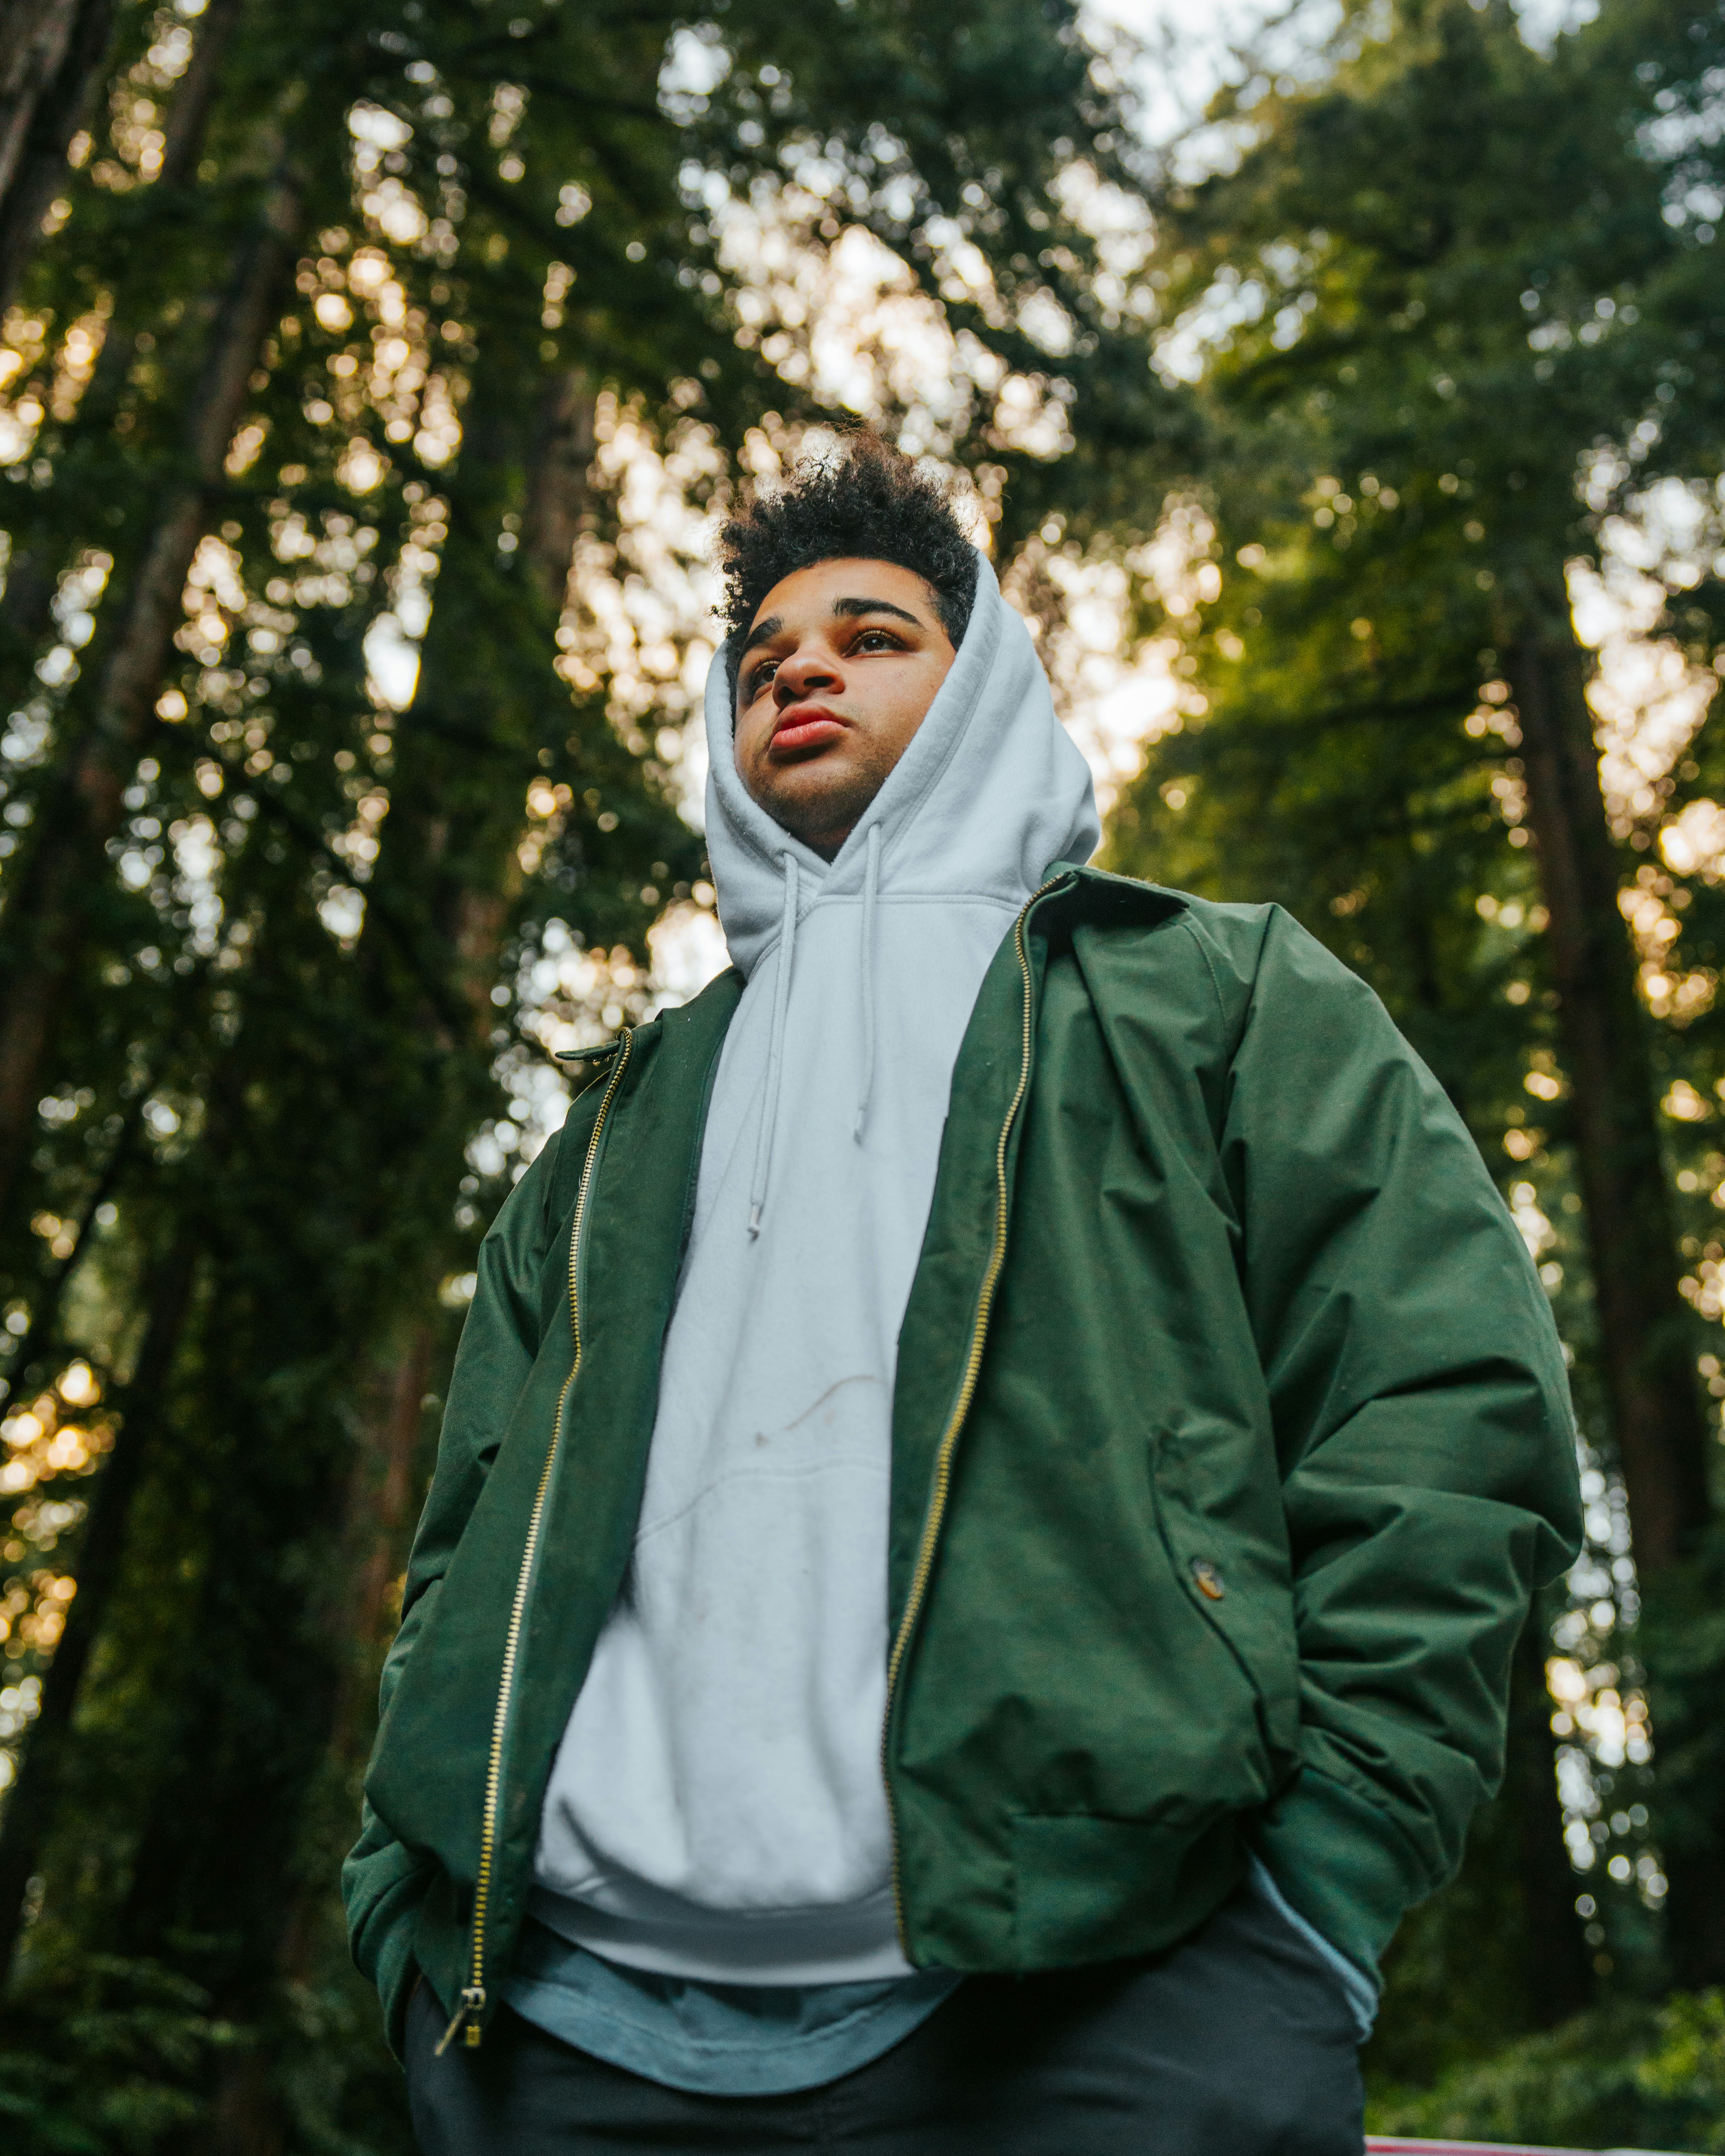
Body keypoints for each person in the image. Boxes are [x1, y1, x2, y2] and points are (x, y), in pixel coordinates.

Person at [344, 433, 1582, 2154]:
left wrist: (1322, 1886)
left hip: (1102, 2005)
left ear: (983, 671)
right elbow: (464, 1526)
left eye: (871, 635)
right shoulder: (622, 1120)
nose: (804, 670)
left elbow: (1448, 1403)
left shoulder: (1209, 997)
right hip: (572, 2035)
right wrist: (407, 1915)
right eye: (766, 658)